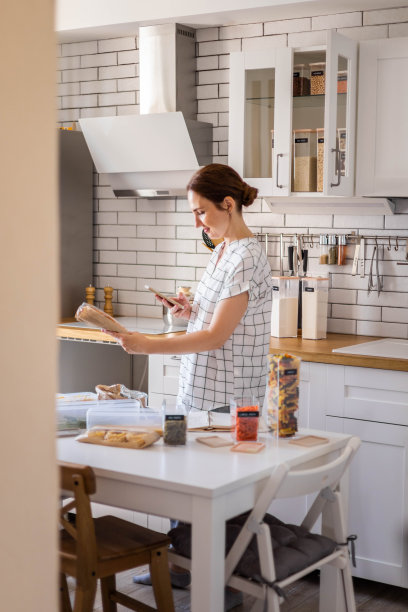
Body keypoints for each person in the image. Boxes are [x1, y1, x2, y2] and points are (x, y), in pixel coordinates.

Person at [103, 163, 273, 610]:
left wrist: (147, 343)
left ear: (228, 204)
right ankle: (182, 568)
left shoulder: (246, 256)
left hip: (227, 395)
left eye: (201, 212)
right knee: (186, 483)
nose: (197, 221)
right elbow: (213, 318)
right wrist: (187, 307)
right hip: (198, 388)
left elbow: (219, 337)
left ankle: (224, 583)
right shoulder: (221, 250)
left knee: (216, 492)